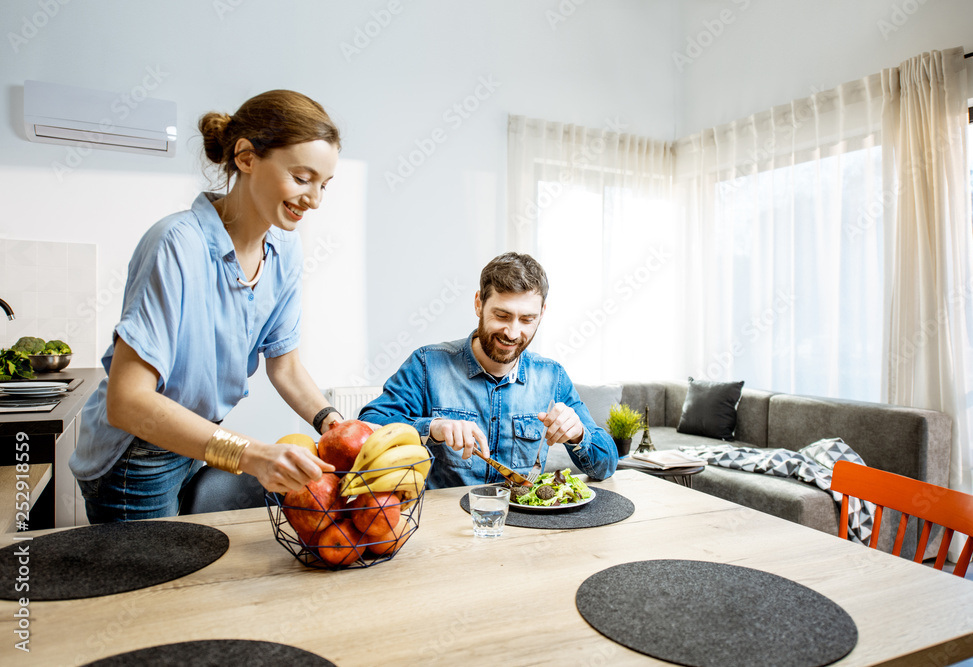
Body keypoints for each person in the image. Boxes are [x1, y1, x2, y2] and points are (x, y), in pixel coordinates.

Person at [70, 90, 349, 523]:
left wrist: (331, 422)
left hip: (194, 441)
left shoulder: (284, 248)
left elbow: (285, 365)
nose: (314, 199)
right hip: (135, 456)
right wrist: (252, 455)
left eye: (323, 185)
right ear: (246, 158)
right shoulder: (175, 244)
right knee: (155, 592)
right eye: (300, 177)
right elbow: (127, 401)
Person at [359, 252, 619, 488]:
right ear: (478, 304)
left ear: (542, 314)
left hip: (525, 527)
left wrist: (579, 435)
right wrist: (433, 427)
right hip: (447, 529)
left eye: (527, 319)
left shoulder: (553, 377)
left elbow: (606, 465)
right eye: (502, 316)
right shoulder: (427, 364)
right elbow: (368, 426)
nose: (513, 332)